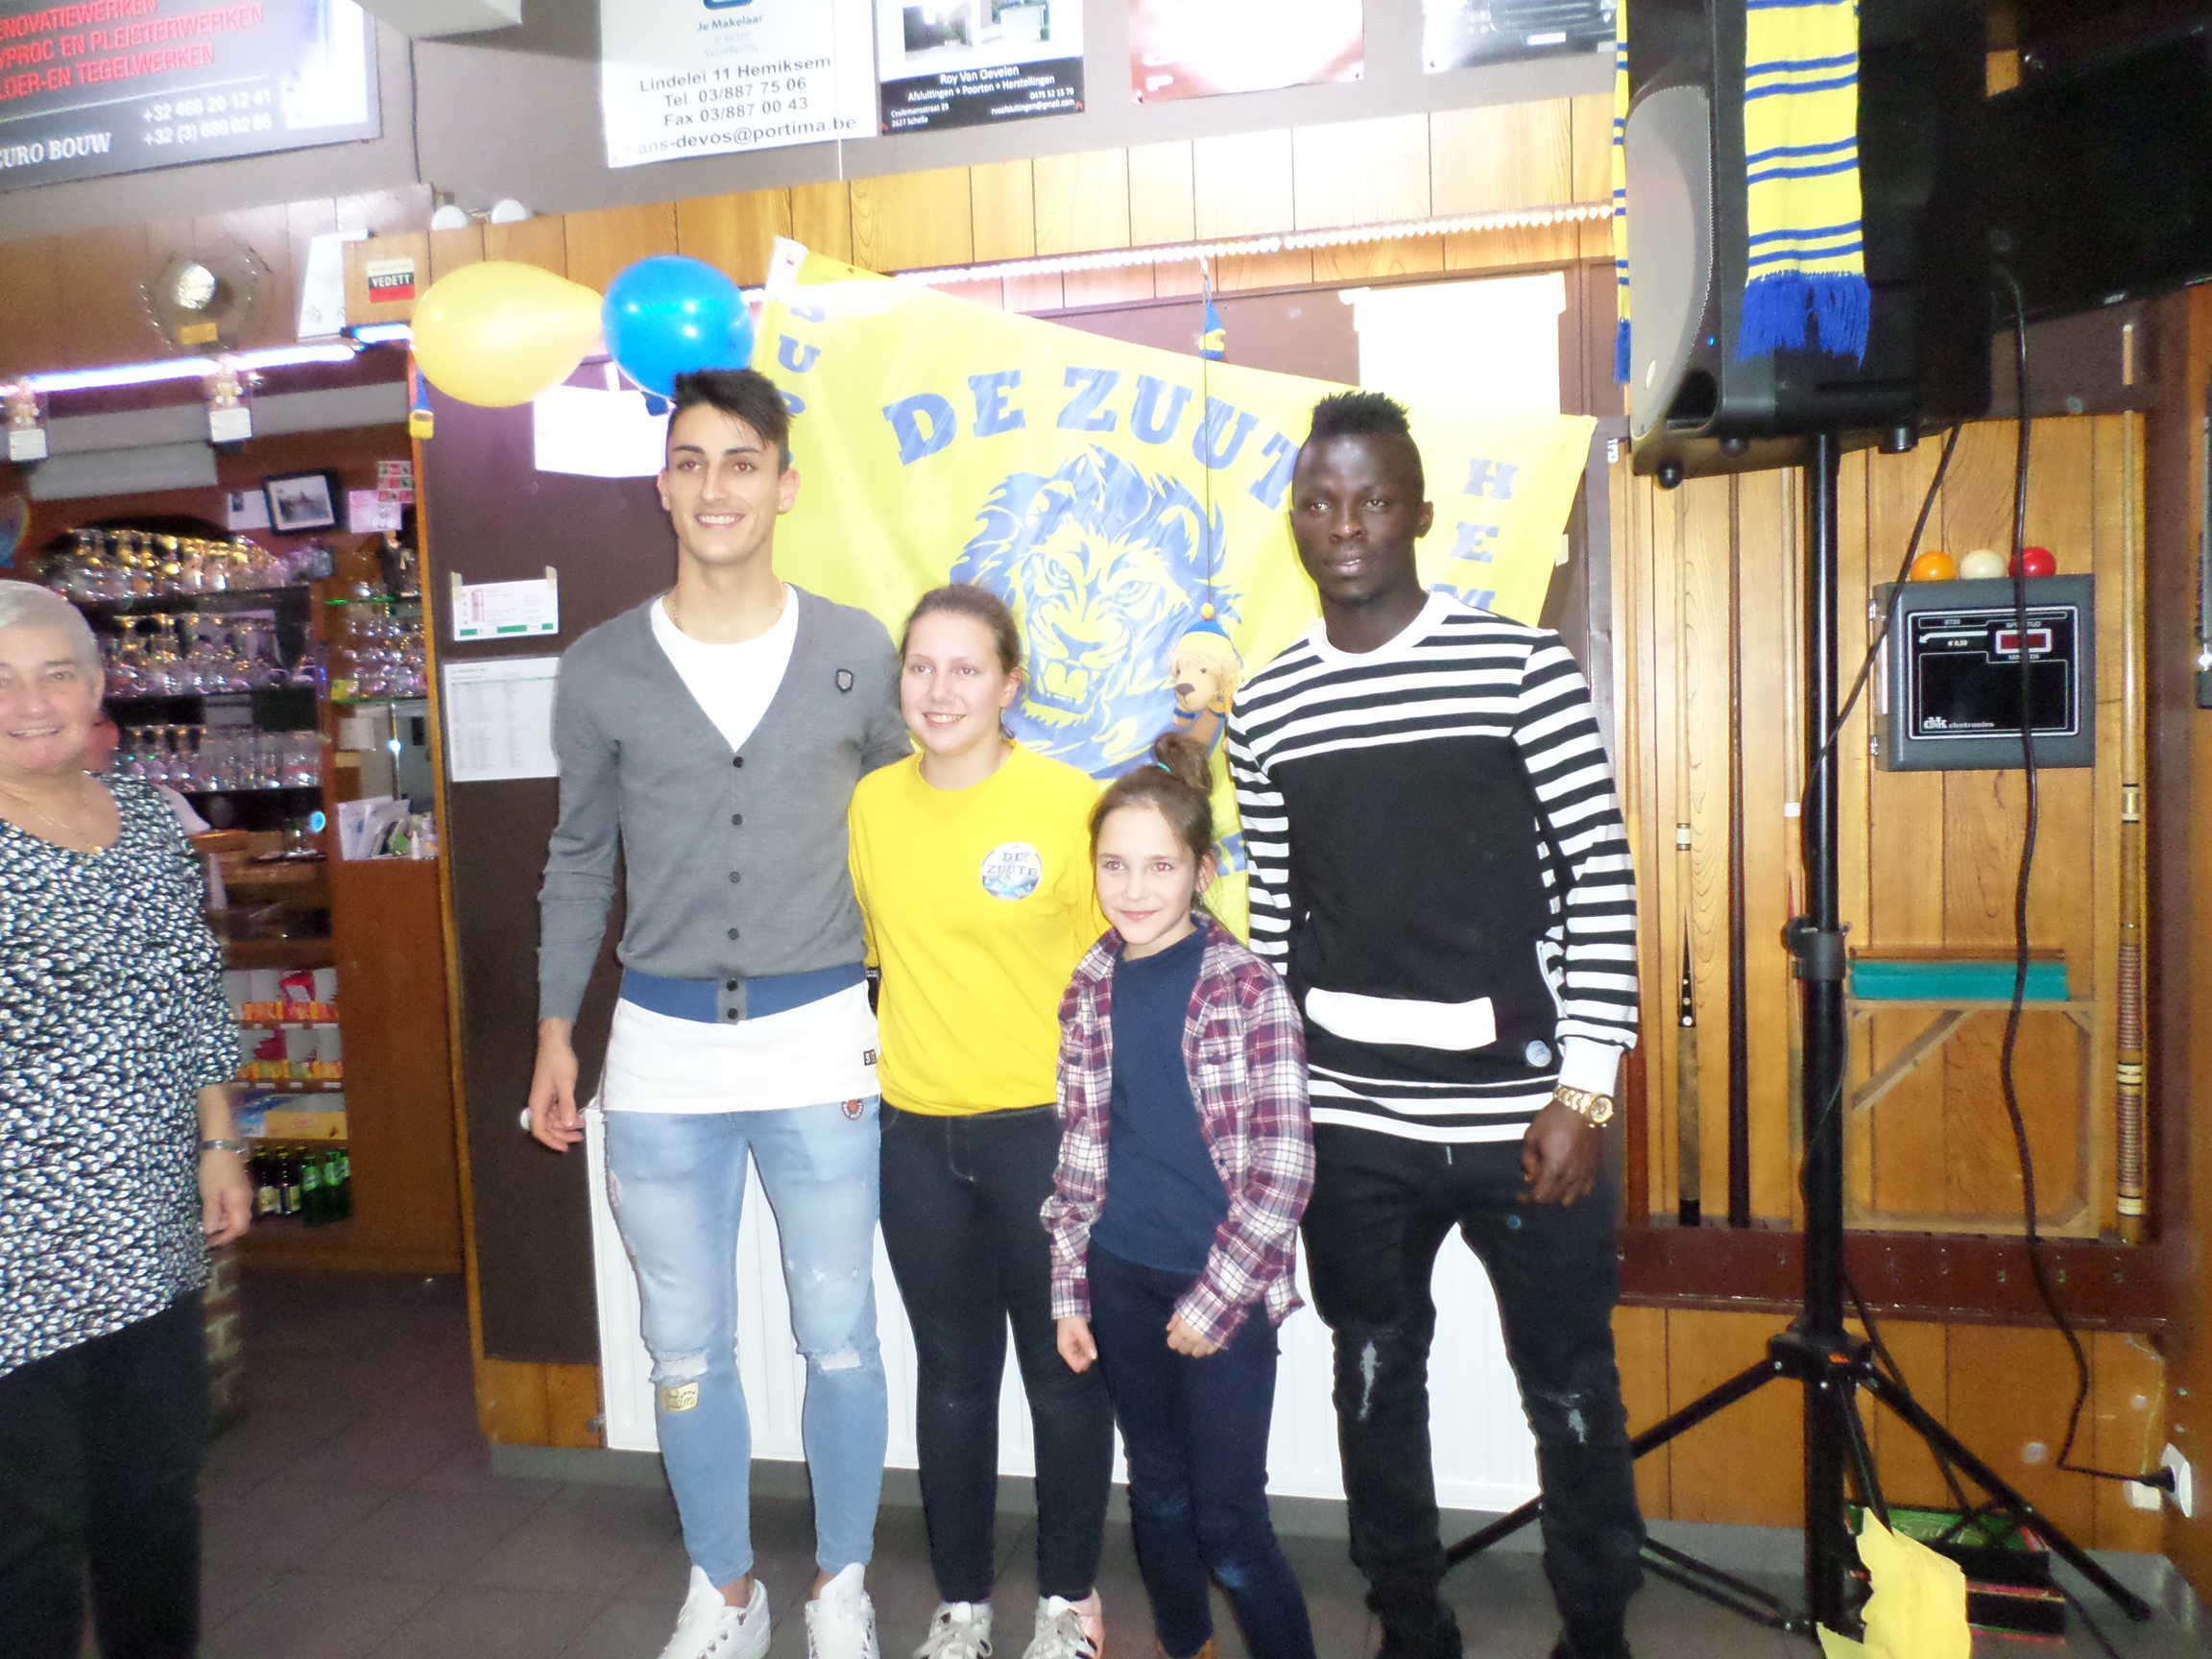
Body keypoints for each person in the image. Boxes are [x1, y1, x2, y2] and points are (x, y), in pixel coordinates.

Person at [1226, 392, 1645, 1659]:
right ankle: (1410, 1624)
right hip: (1355, 1122)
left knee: (1569, 1383)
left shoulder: (1521, 668)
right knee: (1371, 1377)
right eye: (1319, 502)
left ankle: (1598, 1630)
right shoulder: (1266, 709)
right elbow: (1278, 920)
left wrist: (1585, 1091)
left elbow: (1602, 874)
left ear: (1417, 512)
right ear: (1296, 521)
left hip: (1531, 1118)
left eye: (1371, 500)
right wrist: (1283, 1112)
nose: (1345, 524)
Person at [527, 368, 909, 1659]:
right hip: (661, 1055)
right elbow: (579, 856)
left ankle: (841, 1585)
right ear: (662, 486)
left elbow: (909, 832)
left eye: (741, 462)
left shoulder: (858, 650)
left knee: (839, 1336)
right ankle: (724, 1590)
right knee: (682, 1347)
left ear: (784, 486)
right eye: (690, 462)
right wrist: (557, 1031)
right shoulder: (602, 668)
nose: (715, 487)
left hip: (821, 1039)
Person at [847, 584, 1116, 1659]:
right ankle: (961, 1606)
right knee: (953, 1378)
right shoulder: (872, 806)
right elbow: (878, 961)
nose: (940, 689)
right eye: (921, 666)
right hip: (916, 1137)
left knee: (1061, 1372)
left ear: (1011, 685)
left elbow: (1118, 969)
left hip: (1043, 1136)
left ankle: (1068, 1603)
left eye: (966, 668)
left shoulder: (1069, 804)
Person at [0, 580, 252, 1658]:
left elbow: (191, 988)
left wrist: (220, 1141)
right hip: (17, 1253)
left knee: (153, 1500)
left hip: (147, 1228)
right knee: (29, 1532)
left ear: (98, 687)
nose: (32, 702)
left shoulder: (145, 819)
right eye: (2, 680)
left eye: (56, 674)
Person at [1045, 731, 1319, 1659]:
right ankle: (1186, 1644)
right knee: (1157, 1496)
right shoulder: (1089, 985)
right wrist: (1071, 1290)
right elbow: (1081, 1151)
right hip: (1120, 1277)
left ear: (1202, 873)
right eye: (1114, 865)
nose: (1134, 888)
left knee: (1230, 1523)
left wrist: (1215, 1299)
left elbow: (1284, 1169)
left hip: (1222, 1291)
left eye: (1160, 866)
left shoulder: (1248, 989)